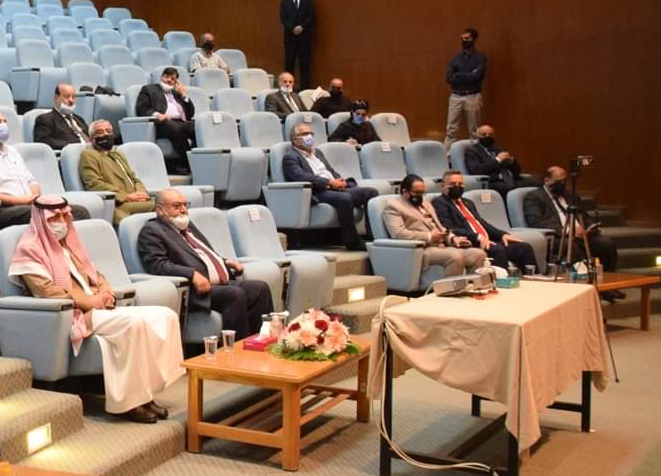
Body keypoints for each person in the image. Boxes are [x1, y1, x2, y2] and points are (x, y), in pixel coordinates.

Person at [8, 197, 183, 423]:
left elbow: (95, 274)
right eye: (55, 217)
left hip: (97, 307)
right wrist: (91, 301)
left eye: (65, 216)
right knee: (133, 324)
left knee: (165, 316)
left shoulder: (68, 243)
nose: (61, 222)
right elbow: (47, 292)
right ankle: (128, 403)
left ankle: (146, 393)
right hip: (74, 316)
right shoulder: (30, 249)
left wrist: (106, 292)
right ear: (42, 219)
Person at [137, 189, 274, 340]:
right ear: (160, 209)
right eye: (176, 206)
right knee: (235, 294)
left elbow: (204, 254)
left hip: (219, 283)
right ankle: (236, 349)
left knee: (260, 288)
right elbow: (157, 265)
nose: (183, 210)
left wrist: (225, 262)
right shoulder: (151, 231)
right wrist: (191, 274)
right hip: (193, 290)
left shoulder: (187, 225)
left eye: (185, 205)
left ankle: (263, 342)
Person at [282, 122, 375, 251]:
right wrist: (330, 183)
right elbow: (301, 177)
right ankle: (351, 242)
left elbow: (330, 171)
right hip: (318, 191)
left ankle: (372, 237)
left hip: (334, 187)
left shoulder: (318, 152)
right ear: (294, 139)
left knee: (371, 193)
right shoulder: (290, 157)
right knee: (345, 198)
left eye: (311, 133)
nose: (309, 136)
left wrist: (339, 180)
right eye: (305, 134)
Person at [431, 171, 538, 275]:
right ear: (443, 186)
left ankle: (534, 280)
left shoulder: (468, 202)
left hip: (487, 240)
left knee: (524, 247)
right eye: (453, 184)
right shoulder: (439, 203)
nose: (457, 187)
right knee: (497, 250)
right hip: (471, 242)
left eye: (460, 184)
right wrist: (477, 237)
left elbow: (482, 223)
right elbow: (449, 228)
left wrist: (502, 235)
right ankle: (503, 283)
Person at [382, 175, 487, 279]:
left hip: (441, 246)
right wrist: (429, 236)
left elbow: (439, 226)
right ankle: (450, 289)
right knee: (455, 256)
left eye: (422, 192)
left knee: (478, 254)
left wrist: (452, 238)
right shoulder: (393, 207)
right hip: (421, 249)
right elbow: (398, 234)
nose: (420, 196)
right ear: (405, 192)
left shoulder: (425, 202)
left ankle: (472, 287)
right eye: (417, 193)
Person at [524, 165, 619, 273]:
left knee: (607, 244)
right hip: (559, 236)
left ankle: (607, 279)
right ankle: (583, 278)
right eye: (559, 181)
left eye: (564, 180)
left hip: (582, 235)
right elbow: (536, 222)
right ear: (547, 180)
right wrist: (570, 231)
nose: (563, 184)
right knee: (572, 247)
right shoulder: (534, 197)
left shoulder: (570, 195)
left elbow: (584, 215)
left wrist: (589, 227)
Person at [78, 120, 153, 224]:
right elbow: (94, 184)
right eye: (100, 132)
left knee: (166, 203)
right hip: (119, 204)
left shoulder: (118, 154)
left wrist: (141, 193)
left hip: (136, 200)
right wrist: (126, 196)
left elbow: (134, 179)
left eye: (109, 131)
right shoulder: (89, 155)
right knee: (163, 205)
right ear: (91, 138)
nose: (106, 134)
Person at [134, 67, 194, 173]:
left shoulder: (177, 93)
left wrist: (184, 95)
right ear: (162, 77)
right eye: (167, 77)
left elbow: (190, 114)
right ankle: (189, 163)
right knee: (174, 128)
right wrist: (157, 114)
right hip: (161, 124)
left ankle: (199, 160)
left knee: (198, 128)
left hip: (181, 122)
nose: (169, 80)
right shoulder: (149, 89)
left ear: (176, 82)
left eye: (173, 79)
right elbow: (141, 108)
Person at [463, 124, 538, 197]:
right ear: (478, 136)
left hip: (512, 179)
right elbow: (476, 170)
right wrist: (498, 160)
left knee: (538, 182)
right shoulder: (472, 151)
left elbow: (517, 170)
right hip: (494, 182)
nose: (487, 136)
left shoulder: (498, 149)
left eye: (491, 134)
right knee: (511, 188)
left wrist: (512, 161)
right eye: (484, 134)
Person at [444, 27, 485, 145]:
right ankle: (446, 155)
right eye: (462, 39)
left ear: (474, 39)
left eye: (467, 38)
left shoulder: (480, 58)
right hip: (456, 96)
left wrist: (458, 75)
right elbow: (448, 78)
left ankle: (475, 154)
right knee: (451, 130)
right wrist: (467, 75)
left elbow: (476, 77)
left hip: (472, 96)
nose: (464, 41)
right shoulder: (456, 58)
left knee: (474, 131)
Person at [32, 83, 90, 151]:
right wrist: (76, 145)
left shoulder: (79, 119)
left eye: (73, 97)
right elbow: (44, 142)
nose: (71, 100)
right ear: (56, 97)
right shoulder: (45, 119)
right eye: (66, 96)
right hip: (73, 153)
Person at [279, 0, 315, 85]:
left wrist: (302, 27)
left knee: (305, 64)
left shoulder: (308, 1)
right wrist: (293, 28)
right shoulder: (285, 2)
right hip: (290, 37)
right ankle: (288, 87)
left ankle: (305, 87)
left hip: (304, 37)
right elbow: (283, 18)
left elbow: (311, 17)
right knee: (289, 63)